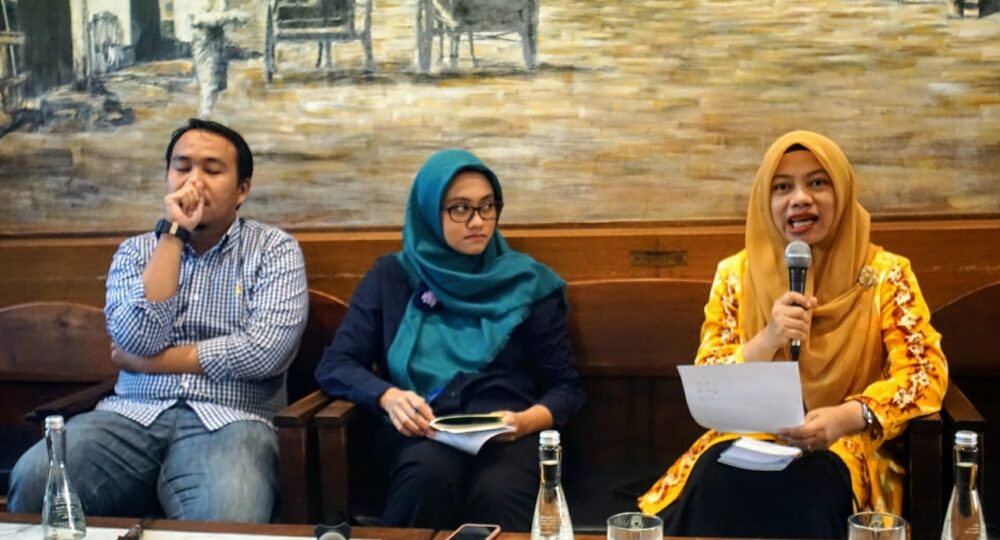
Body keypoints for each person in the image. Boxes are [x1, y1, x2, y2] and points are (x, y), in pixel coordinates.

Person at [638, 131, 947, 537]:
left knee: (814, 486)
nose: (800, 198)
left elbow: (924, 374)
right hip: (748, 438)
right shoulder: (736, 275)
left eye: (817, 183)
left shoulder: (887, 275)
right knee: (714, 479)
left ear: (842, 192)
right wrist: (768, 337)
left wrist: (847, 416)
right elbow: (709, 377)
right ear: (764, 202)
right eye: (782, 187)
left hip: (845, 444)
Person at [7, 118, 309, 522]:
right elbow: (136, 338)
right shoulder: (136, 252)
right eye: (182, 167)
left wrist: (148, 364)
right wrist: (172, 237)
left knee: (229, 510)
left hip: (232, 421)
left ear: (242, 189)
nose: (194, 181)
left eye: (212, 170)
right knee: (35, 477)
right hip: (130, 414)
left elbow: (265, 353)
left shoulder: (274, 250)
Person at [315, 149, 585, 531]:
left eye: (487, 206)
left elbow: (566, 387)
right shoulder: (393, 277)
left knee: (499, 491)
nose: (478, 221)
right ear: (428, 212)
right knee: (426, 477)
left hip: (510, 435)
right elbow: (336, 364)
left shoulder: (528, 283)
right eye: (460, 209)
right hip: (422, 429)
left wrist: (525, 422)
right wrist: (387, 396)